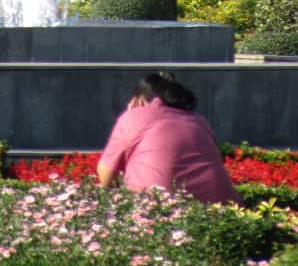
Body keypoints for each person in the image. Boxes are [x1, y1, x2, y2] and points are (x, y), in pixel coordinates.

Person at [97, 71, 242, 205]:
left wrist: (131, 115)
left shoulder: (133, 116)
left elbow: (106, 177)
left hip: (159, 211)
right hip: (221, 208)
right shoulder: (199, 120)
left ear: (138, 100)